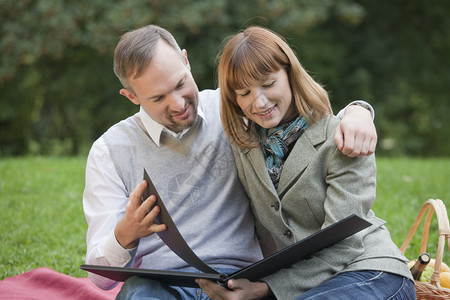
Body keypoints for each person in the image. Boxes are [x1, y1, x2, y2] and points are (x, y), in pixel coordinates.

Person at [83, 24, 378, 299]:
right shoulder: (109, 151)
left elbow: (301, 117)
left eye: (181, 84)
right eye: (158, 98)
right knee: (139, 292)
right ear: (130, 96)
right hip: (163, 286)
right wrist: (125, 234)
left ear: (186, 61)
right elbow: (101, 278)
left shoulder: (234, 110)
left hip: (242, 281)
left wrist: (358, 110)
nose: (178, 103)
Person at [196, 26, 415, 299]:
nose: (259, 101)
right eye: (244, 92)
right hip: (304, 286)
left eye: (268, 84)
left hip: (368, 271)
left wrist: (268, 289)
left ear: (289, 73)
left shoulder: (343, 137)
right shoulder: (244, 145)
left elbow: (344, 245)